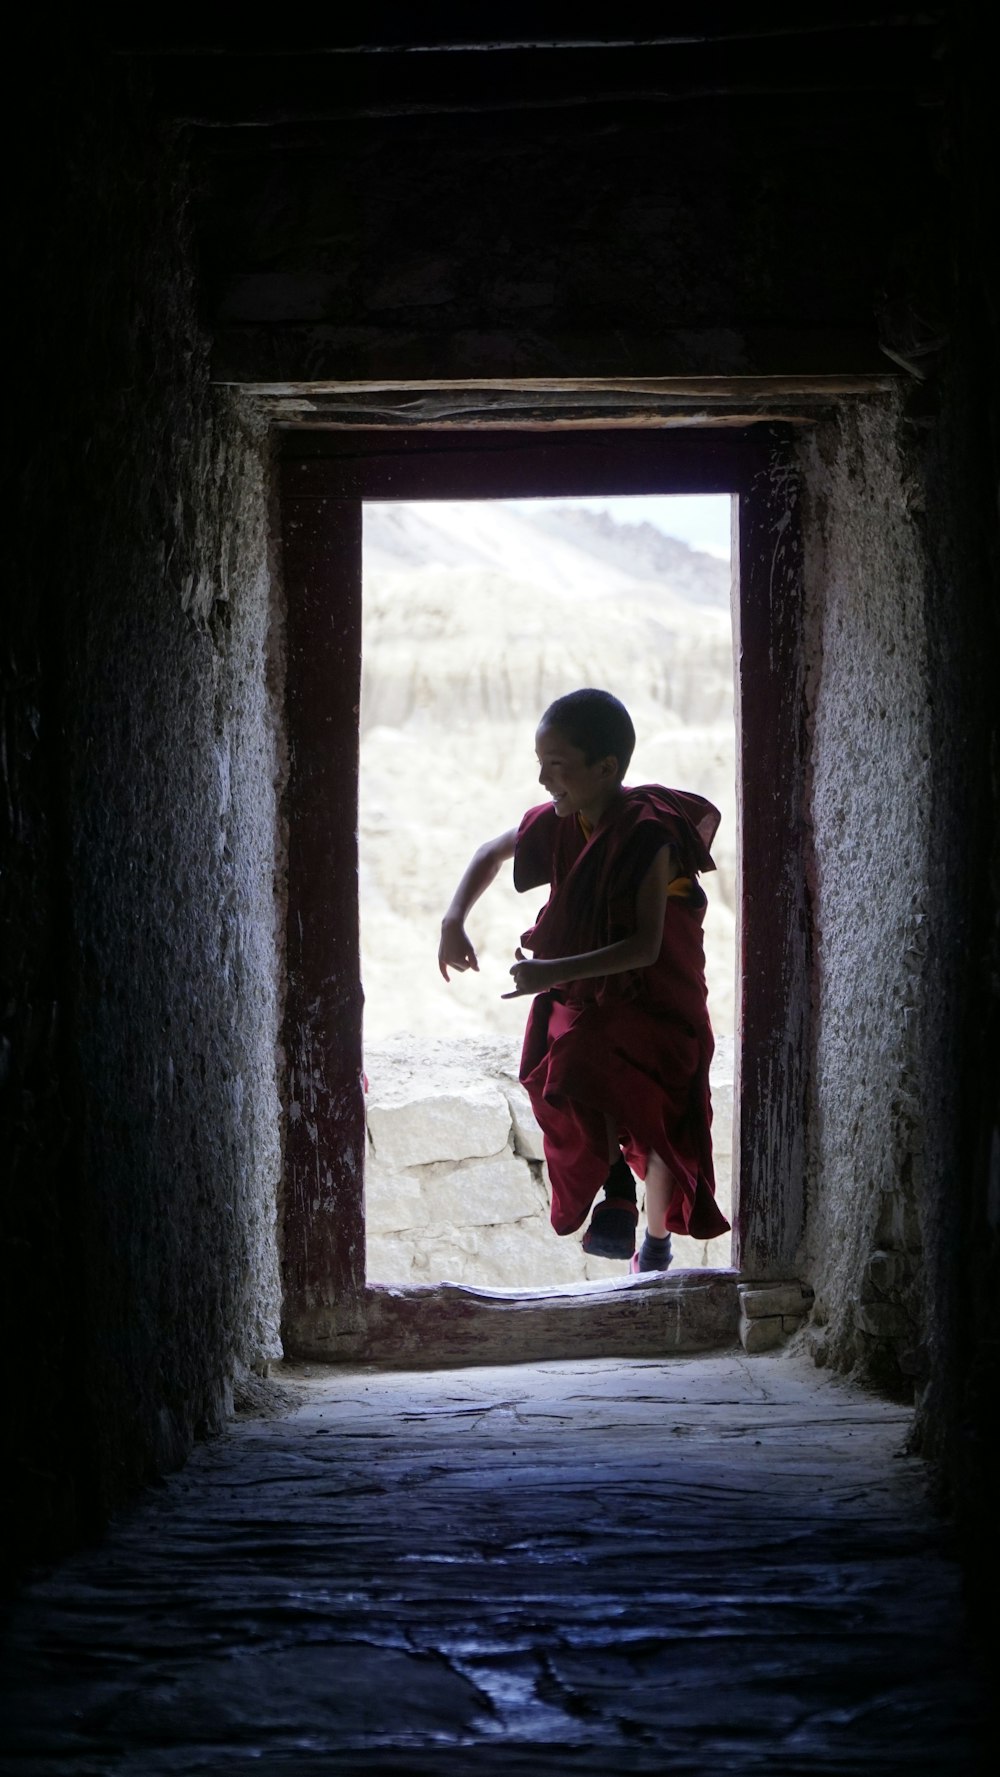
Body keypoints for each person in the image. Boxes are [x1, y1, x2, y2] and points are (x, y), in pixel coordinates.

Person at [437, 688, 730, 1272]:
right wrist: (452, 921)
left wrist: (550, 971)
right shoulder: (561, 821)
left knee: (659, 1111)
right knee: (561, 1068)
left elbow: (645, 947)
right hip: (591, 990)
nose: (545, 779)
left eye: (557, 766)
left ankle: (654, 1241)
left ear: (606, 768)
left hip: (657, 999)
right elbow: (490, 853)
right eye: (541, 764)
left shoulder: (650, 835)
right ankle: (617, 1182)